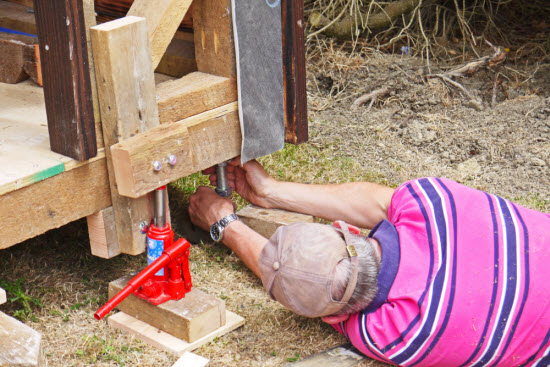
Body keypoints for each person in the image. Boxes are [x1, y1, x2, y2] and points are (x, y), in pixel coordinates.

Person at [188, 157, 550, 366]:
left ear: (332, 318)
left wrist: (228, 225)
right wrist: (266, 193)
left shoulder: (394, 335)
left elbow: (294, 276)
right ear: (346, 231)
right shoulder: (432, 201)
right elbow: (376, 203)